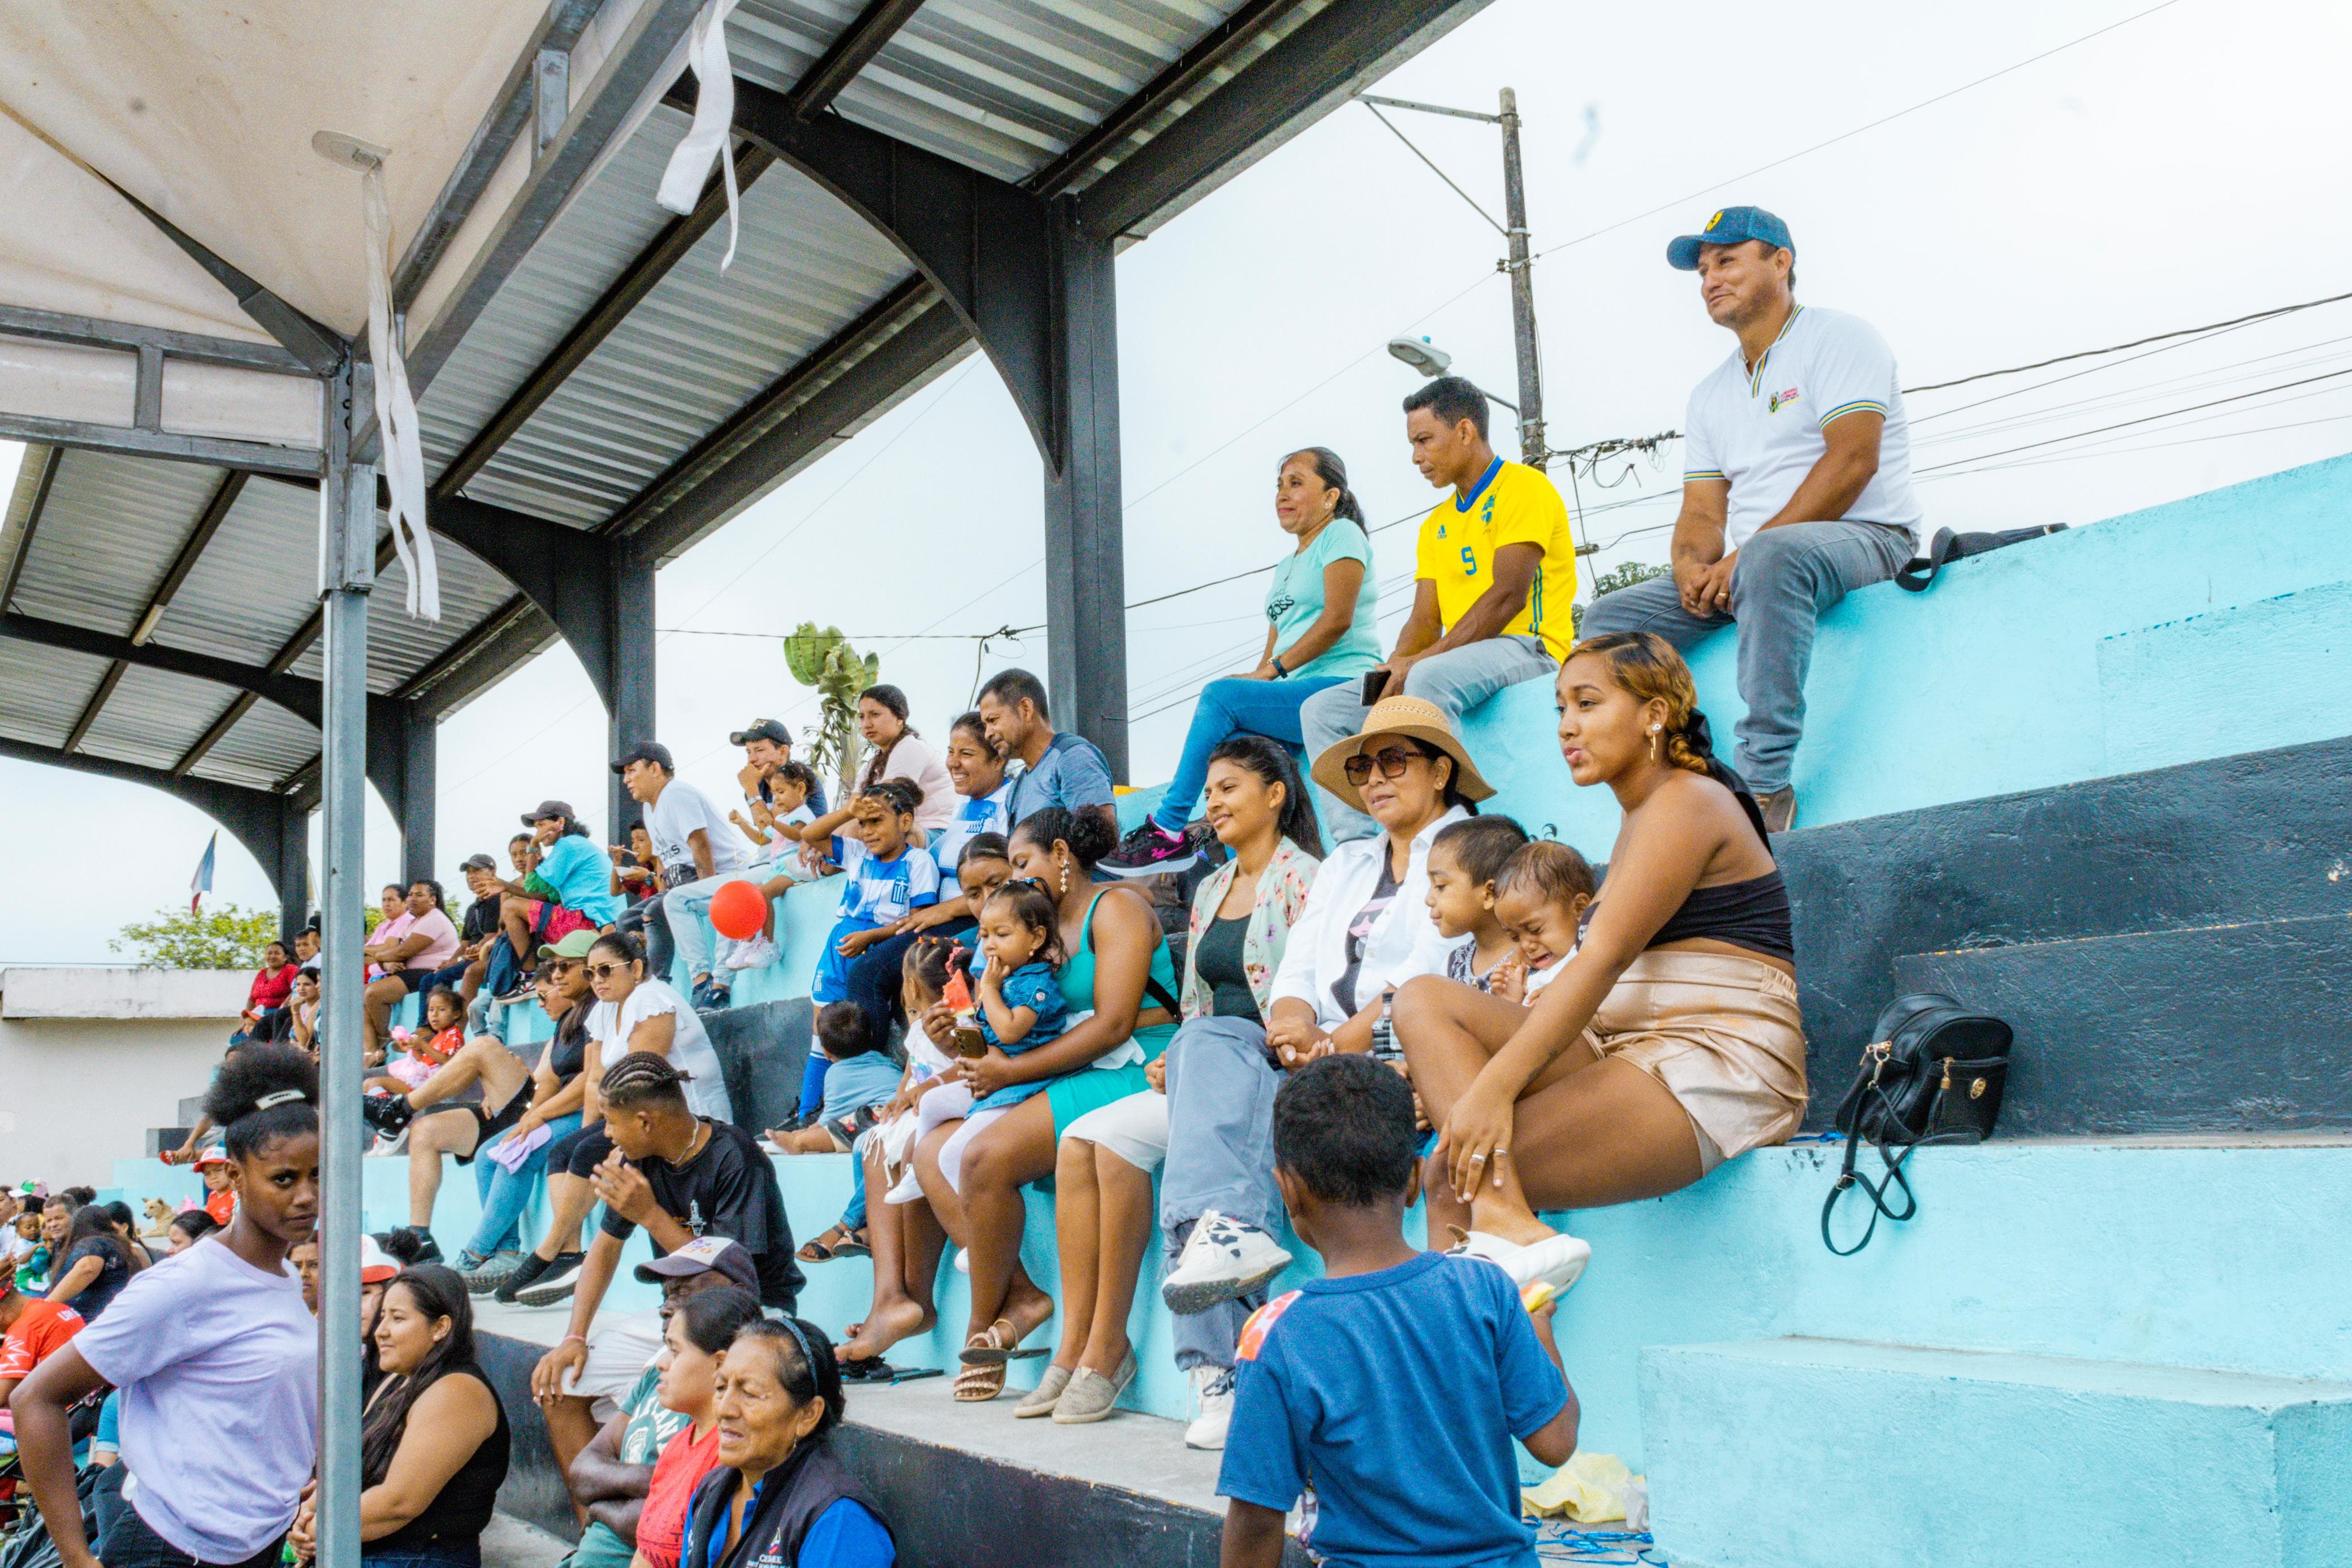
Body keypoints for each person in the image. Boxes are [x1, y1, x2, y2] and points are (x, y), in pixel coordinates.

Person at [1394, 631, 1806, 1293]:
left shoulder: (1688, 800)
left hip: (1712, 1056)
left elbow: (1603, 959)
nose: (1566, 726)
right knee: (1423, 1000)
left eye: (1586, 703)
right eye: (1560, 707)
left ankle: (1501, 1246)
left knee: (1452, 1174)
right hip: (1623, 1041)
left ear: (1653, 714)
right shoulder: (1641, 814)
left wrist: (1492, 1089)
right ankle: (1507, 1225)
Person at [1577, 207, 1925, 834]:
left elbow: (1853, 461)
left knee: (1768, 557)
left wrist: (1742, 557)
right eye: (1702, 271)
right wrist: (1691, 567)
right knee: (1608, 624)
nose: (1710, 279)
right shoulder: (1710, 393)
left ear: (1780, 261)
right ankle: (1676, 780)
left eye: (1727, 261)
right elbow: (1701, 511)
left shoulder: (1839, 337)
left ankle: (1764, 787)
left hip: (1869, 539)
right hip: (1759, 568)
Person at [1157, 698, 1479, 1328]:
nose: (1375, 779)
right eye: (1363, 768)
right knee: (1203, 1041)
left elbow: (1425, 973)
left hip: (1398, 1056)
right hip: (1315, 1057)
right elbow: (1297, 967)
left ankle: (1225, 1324)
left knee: (1210, 1110)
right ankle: (1228, 1253)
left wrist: (1328, 1047)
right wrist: (1293, 1028)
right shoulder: (1348, 861)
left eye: (1394, 761)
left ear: (1441, 771)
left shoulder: (1468, 848)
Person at [1035, 736, 1322, 1439]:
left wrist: (1201, 1045)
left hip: (1277, 1063)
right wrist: (1178, 1059)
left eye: (1228, 788)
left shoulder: (1306, 878)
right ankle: (1109, 1346)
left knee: (1203, 1133)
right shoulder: (1211, 888)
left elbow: (1310, 994)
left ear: (1274, 794)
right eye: (1209, 791)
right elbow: (1196, 1006)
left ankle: (1216, 1366)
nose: (1211, 802)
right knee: (1091, 1138)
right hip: (1208, 1061)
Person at [1213, 1055, 1576, 1568]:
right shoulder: (1486, 1289)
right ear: (1413, 1179)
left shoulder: (1279, 1336)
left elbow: (1255, 1520)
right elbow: (1556, 1442)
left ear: (1287, 1190)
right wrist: (1539, 1329)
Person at [10, 1045, 321, 1568]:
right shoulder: (186, 1284)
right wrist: (76, 1556)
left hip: (258, 1545)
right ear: (235, 1176)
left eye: (318, 1175)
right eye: (284, 1178)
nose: (307, 1196)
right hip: (171, 1548)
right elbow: (35, 1398)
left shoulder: (290, 1279)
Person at [919, 807, 1178, 1401]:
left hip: (1137, 1064)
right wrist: (955, 1040)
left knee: (982, 1158)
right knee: (933, 1150)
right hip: (1070, 1066)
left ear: (1061, 854)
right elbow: (1010, 1031)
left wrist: (1011, 1071)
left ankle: (987, 1328)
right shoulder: (1034, 930)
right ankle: (1021, 1311)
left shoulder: (1115, 907)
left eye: (1022, 862)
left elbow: (1113, 1024)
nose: (1015, 878)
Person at [1299, 376, 1578, 844]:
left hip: (1530, 646)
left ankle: (1449, 831)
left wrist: (1418, 664)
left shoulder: (1526, 488)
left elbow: (1507, 596)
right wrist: (1393, 668)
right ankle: (1356, 848)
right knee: (1321, 709)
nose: (1416, 456)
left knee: (1427, 678)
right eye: (1413, 444)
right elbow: (1425, 621)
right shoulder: (1435, 525)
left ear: (1465, 431)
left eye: (1425, 440)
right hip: (1462, 657)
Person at [1102, 448, 1382, 876]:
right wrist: (1263, 676)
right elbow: (1274, 647)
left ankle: (1168, 828)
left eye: (1296, 483)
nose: (1282, 494)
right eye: (1279, 485)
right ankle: (1253, 868)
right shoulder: (1286, 567)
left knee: (1220, 695)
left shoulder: (1341, 534)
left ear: (1331, 497)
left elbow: (1337, 620)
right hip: (1294, 694)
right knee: (1231, 751)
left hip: (1341, 684)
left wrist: (1270, 672)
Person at [531, 1055, 804, 1451]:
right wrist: (574, 1336)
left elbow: (731, 1279)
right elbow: (604, 1250)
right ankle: (593, 1495)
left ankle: (657, 1490)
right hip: (679, 1316)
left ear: (645, 1122)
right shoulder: (638, 1160)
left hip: (753, 1318)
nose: (607, 1134)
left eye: (611, 1121)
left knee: (664, 1394)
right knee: (559, 1383)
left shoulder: (737, 1158)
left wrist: (650, 1215)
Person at [830, 848, 1015, 1369]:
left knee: (913, 1141)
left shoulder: (994, 965)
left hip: (989, 1089)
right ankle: (893, 1297)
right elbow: (919, 1061)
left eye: (996, 884)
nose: (984, 902)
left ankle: (910, 1293)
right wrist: (906, 1090)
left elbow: (984, 1052)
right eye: (973, 892)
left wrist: (935, 1072)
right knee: (877, 1142)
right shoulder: (970, 962)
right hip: (958, 1088)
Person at [492, 928, 732, 1302]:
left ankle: (549, 1250)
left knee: (592, 1154)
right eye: (591, 973)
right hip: (641, 1116)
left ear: (635, 969)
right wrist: (591, 1130)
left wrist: (608, 1139)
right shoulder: (606, 1007)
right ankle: (568, 1254)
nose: (597, 980)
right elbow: (595, 1080)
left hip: (686, 1116)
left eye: (606, 970)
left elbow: (643, 1078)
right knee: (567, 1151)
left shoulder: (651, 1000)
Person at [370, 948, 591, 1279]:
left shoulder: (587, 1022)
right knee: (425, 1131)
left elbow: (568, 1084)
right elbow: (544, 1081)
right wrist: (503, 1084)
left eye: (545, 995)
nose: (540, 1003)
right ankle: (422, 1235)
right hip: (522, 1107)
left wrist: (529, 1104)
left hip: (539, 1110)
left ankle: (400, 1110)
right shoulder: (562, 1031)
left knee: (483, 1047)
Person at [289, 1264, 509, 1568]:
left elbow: (398, 1504)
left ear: (440, 1327)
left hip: (418, 1557)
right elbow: (353, 1467)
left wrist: (316, 1529)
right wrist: (307, 1513)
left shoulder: (457, 1391)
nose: (381, 1331)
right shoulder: (399, 1378)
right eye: (383, 1317)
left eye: (398, 1318)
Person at [559, 1240, 764, 1566]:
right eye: (666, 1294)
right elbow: (582, 1472)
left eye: (683, 1292)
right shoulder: (663, 1378)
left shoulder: (720, 1410)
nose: (666, 1308)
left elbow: (677, 1527)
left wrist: (603, 1507)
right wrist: (655, 1484)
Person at [835, 712, 1014, 1043]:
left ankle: (868, 1067)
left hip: (972, 917)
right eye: (951, 752)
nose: (953, 763)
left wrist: (945, 911)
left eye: (966, 754)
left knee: (869, 973)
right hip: (935, 917)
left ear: (998, 759)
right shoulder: (966, 805)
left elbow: (1008, 880)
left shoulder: (1009, 801)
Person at [678, 1319, 893, 1568]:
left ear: (808, 1415)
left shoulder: (839, 1521)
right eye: (721, 1387)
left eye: (750, 1393)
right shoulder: (710, 1491)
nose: (724, 1409)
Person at [791, 779, 939, 1133]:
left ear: (905, 822)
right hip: (838, 951)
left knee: (855, 1033)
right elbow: (810, 835)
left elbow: (919, 920)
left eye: (877, 821)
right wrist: (848, 811)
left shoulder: (918, 862)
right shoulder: (857, 854)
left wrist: (873, 937)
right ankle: (807, 1115)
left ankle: (850, 1110)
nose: (868, 831)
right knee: (821, 1033)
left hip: (874, 948)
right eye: (863, 823)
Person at [631, 1288, 765, 1568]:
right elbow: (646, 1555)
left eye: (674, 1350)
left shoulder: (730, 1456)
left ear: (720, 1364)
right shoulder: (678, 1444)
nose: (661, 1364)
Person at [616, 743, 753, 1008]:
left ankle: (689, 983)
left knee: (660, 909)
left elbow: (700, 844)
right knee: (627, 919)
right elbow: (664, 862)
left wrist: (706, 891)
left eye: (632, 771)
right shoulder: (649, 808)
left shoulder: (676, 794)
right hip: (681, 881)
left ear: (655, 769)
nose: (626, 780)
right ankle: (640, 986)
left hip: (724, 873)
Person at [782, 686, 952, 841]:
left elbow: (881, 804)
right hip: (900, 830)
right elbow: (849, 809)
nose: (867, 724)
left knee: (856, 827)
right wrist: (819, 841)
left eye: (875, 715)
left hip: (934, 832)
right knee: (843, 832)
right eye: (862, 717)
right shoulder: (874, 764)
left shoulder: (910, 747)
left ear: (900, 718)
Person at [498, 803, 621, 998]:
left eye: (542, 826)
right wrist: (506, 886)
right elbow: (549, 895)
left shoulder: (568, 845)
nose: (538, 833)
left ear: (560, 822)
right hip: (602, 921)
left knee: (511, 907)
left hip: (591, 923)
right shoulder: (576, 844)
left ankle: (529, 979)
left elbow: (532, 886)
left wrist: (533, 845)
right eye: (536, 829)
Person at [975, 669, 1117, 838]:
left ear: (1026, 709)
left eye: (993, 720)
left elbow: (1103, 840)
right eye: (985, 725)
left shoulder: (1073, 758)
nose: (988, 734)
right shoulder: (1016, 789)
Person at [768, 1004, 901, 1156]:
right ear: (871, 1035)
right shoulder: (885, 1061)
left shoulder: (835, 1074)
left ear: (826, 1052)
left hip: (880, 1119)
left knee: (838, 1131)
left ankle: (797, 1143)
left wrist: (806, 1132)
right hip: (900, 1114)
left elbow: (830, 1120)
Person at [1425, 817, 1534, 993]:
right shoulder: (1453, 965)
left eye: (1440, 886)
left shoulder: (1533, 958)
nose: (1428, 900)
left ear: (1489, 894)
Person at [1489, 840, 1598, 1003]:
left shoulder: (1591, 957)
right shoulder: (1530, 979)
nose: (1526, 946)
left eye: (1535, 930)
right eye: (1515, 938)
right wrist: (1512, 1000)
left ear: (1580, 908)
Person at [363, 880, 462, 1055]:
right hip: (410, 972)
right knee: (360, 996)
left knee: (374, 993)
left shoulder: (434, 918)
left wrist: (379, 956)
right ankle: (373, 1051)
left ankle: (384, 1039)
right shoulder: (414, 922)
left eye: (419, 895)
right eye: (410, 895)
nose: (412, 899)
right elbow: (392, 952)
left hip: (430, 972)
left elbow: (401, 952)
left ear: (433, 899)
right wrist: (386, 961)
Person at [0, 1271, 81, 1409]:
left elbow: (3, 1395)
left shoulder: (24, 1327)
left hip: (60, 1412)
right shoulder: (53, 1306)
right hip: (87, 1399)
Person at [45, 1206, 136, 1323]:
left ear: (76, 1226)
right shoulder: (122, 1247)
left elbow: (87, 1268)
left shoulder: (94, 1243)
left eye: (59, 1218)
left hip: (92, 1322)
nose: (53, 1224)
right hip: (115, 1317)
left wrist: (46, 1306)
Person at [732, 717, 825, 823]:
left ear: (783, 752)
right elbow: (764, 833)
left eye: (760, 750)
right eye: (749, 752)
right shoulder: (758, 787)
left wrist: (751, 788)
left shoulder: (798, 776)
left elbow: (769, 829)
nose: (752, 759)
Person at [234, 941, 299, 1041]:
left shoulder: (290, 969)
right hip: (257, 1015)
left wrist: (284, 1005)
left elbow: (296, 989)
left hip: (277, 1015)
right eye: (269, 953)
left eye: (277, 953)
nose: (272, 956)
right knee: (237, 1039)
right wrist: (246, 1021)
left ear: (285, 957)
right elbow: (252, 999)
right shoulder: (262, 973)